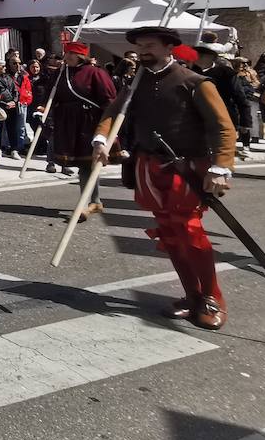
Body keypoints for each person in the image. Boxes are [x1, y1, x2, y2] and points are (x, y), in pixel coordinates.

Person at [92, 25, 237, 330]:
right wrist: (101, 141)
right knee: (170, 235)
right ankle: (192, 295)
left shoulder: (195, 82)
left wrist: (221, 167)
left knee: (190, 232)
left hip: (186, 169)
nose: (144, 50)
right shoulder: (135, 84)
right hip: (149, 167)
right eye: (140, 46)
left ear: (170, 47)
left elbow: (223, 128)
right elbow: (112, 113)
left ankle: (213, 298)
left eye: (151, 45)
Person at [40, 41, 117, 218]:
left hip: (89, 122)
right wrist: (42, 109)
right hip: (67, 123)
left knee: (87, 163)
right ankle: (95, 201)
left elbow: (109, 99)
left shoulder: (96, 73)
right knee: (86, 164)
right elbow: (50, 95)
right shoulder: (60, 74)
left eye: (71, 54)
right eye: (66, 54)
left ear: (81, 56)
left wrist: (108, 124)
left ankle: (86, 202)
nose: (67, 57)